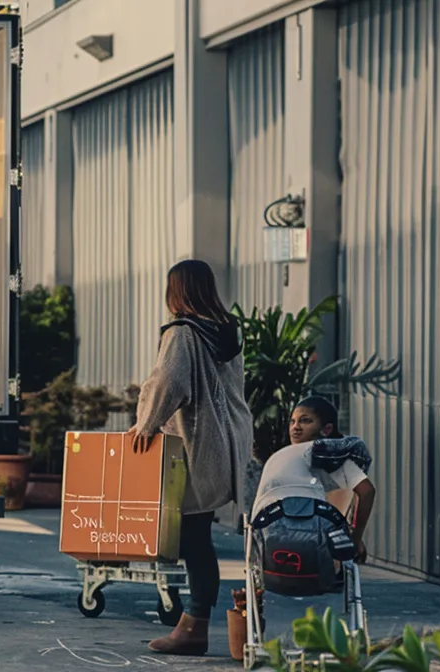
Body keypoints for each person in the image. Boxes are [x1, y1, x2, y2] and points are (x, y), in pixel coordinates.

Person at [125, 259, 252, 656]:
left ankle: (194, 627)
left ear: (176, 291)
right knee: (199, 537)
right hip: (229, 443)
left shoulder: (182, 332)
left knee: (192, 541)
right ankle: (193, 623)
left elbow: (169, 381)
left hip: (197, 444)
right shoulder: (226, 330)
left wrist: (145, 424)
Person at [253, 397, 376, 564]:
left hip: (270, 534)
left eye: (305, 421)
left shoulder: (278, 457)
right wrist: (356, 537)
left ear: (327, 429)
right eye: (292, 422)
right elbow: (367, 491)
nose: (295, 427)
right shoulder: (333, 456)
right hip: (312, 541)